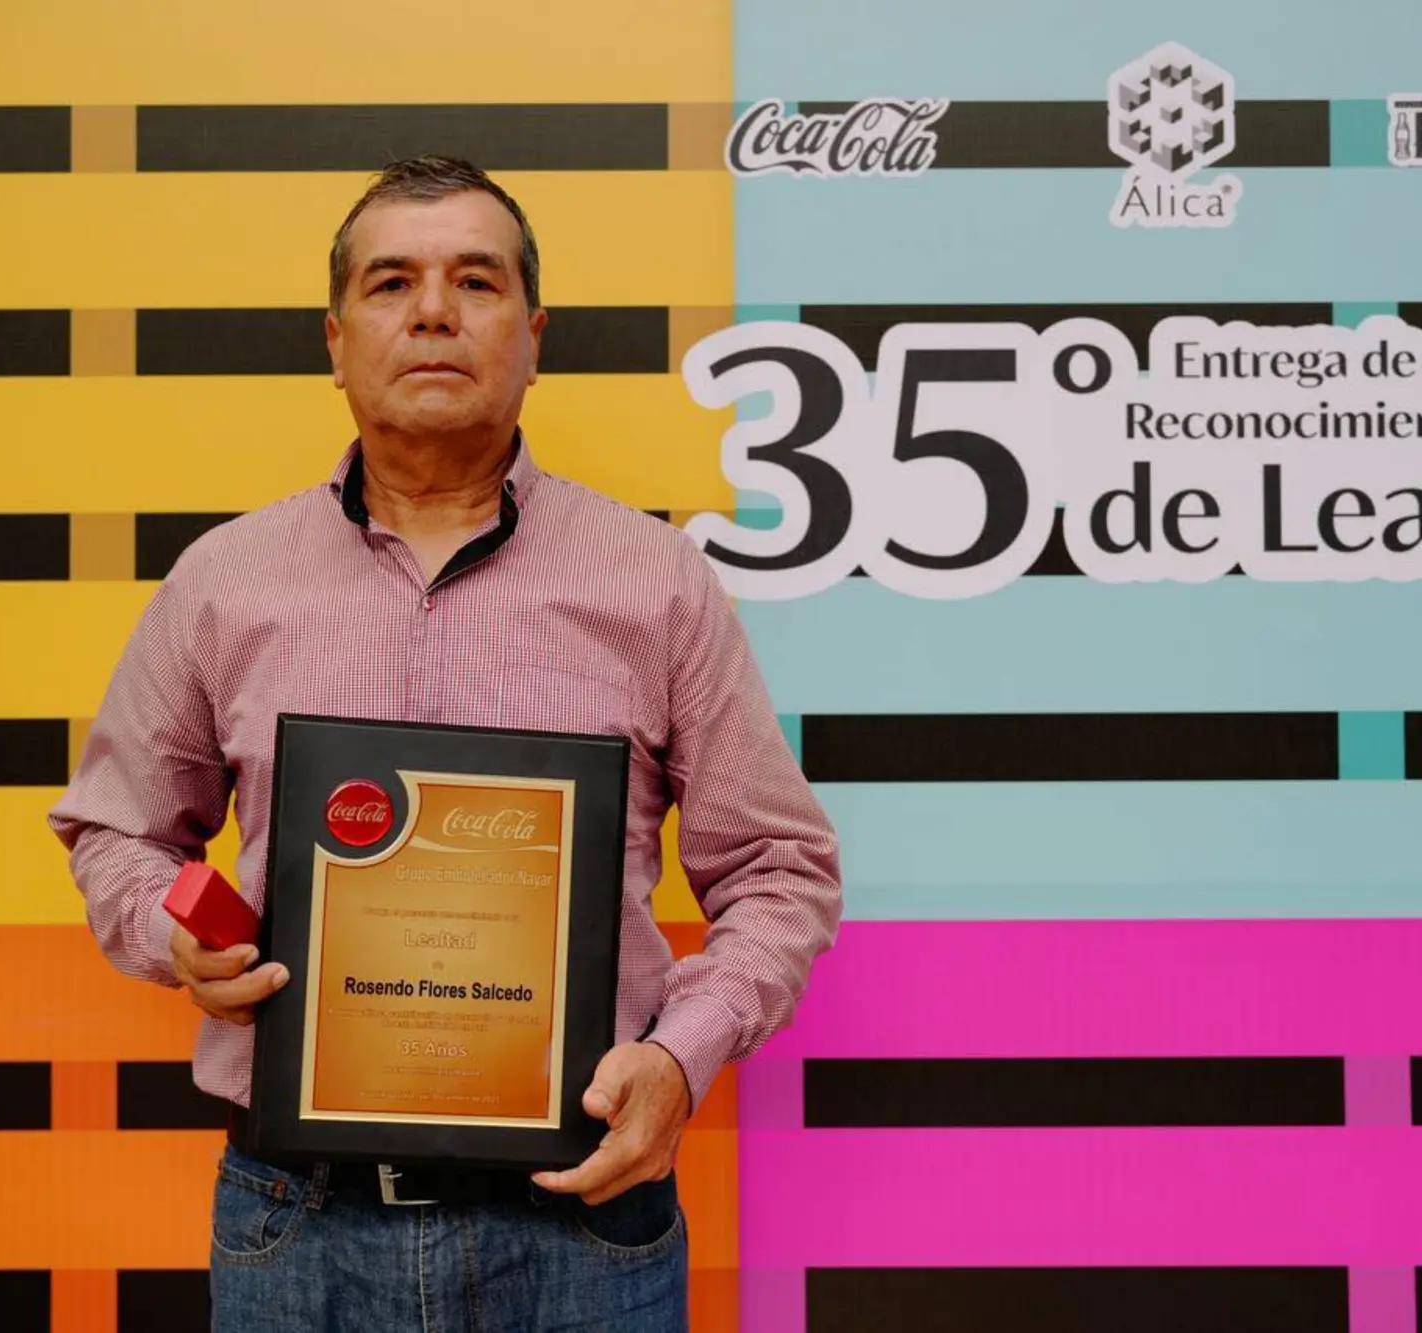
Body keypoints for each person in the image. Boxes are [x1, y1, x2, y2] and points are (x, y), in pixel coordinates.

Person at [47, 154, 843, 1331]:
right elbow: (118, 830)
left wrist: (681, 1057)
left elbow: (779, 869)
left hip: (582, 1226)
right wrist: (177, 937)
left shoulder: (656, 582)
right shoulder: (224, 582)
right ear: (334, 340)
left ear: (533, 336)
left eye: (475, 281)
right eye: (390, 283)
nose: (432, 311)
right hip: (299, 1222)